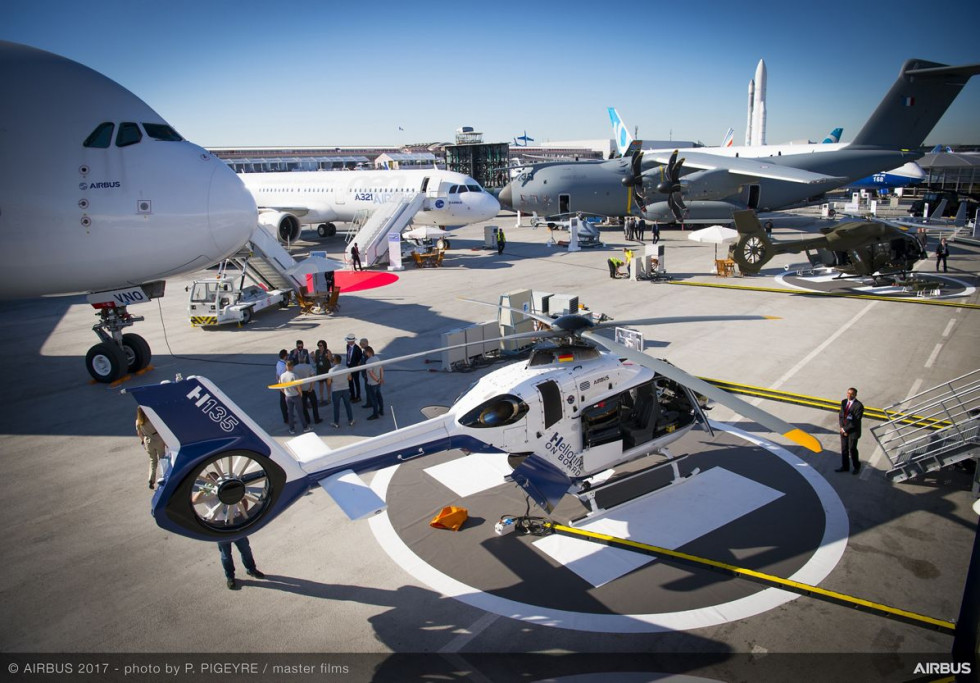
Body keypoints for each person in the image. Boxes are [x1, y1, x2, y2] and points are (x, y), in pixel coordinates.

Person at [135, 407, 166, 489]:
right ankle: (164, 477)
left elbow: (139, 433)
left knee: (153, 460)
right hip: (157, 439)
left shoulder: (138, 421)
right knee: (162, 459)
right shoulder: (152, 419)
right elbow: (160, 430)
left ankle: (151, 479)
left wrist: (144, 443)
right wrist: (164, 442)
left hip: (147, 441)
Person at [836, 387, 864, 474]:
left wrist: (845, 429)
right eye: (848, 393)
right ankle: (845, 467)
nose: (849, 395)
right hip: (843, 430)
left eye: (851, 394)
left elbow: (855, 421)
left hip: (853, 432)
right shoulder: (844, 402)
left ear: (855, 395)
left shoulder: (859, 406)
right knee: (844, 449)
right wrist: (842, 428)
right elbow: (841, 415)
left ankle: (856, 466)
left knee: (852, 449)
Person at [280, 360, 309, 435]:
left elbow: (281, 387)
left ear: (286, 366)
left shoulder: (282, 376)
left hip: (288, 396)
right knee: (300, 412)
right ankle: (305, 427)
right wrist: (300, 393)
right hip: (296, 396)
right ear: (292, 367)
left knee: (290, 413)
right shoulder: (294, 375)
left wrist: (285, 393)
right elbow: (298, 386)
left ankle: (291, 429)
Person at [292, 358, 322, 425]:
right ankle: (316, 419)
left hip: (301, 389)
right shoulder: (309, 366)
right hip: (309, 389)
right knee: (314, 404)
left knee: (303, 406)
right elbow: (313, 376)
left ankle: (307, 420)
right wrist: (311, 387)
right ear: (305, 359)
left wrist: (298, 389)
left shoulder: (295, 368)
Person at [329, 354, 355, 427]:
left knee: (336, 407)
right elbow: (350, 378)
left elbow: (328, 382)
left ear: (334, 361)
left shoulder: (331, 370)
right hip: (345, 389)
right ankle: (351, 420)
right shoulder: (346, 368)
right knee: (348, 405)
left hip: (336, 390)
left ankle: (336, 422)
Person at [363, 346, 385, 420]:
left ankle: (375, 414)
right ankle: (381, 411)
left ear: (368, 352)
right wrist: (381, 379)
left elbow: (371, 373)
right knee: (379, 397)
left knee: (374, 399)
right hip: (378, 383)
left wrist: (377, 380)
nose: (365, 353)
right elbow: (381, 369)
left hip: (372, 383)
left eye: (365, 352)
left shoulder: (368, 361)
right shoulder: (377, 359)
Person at [345, 333, 363, 403]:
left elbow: (359, 359)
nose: (347, 342)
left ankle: (358, 396)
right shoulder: (347, 346)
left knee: (356, 382)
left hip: (355, 368)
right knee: (350, 382)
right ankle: (352, 396)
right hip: (349, 367)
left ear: (352, 341)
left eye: (348, 341)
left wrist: (357, 367)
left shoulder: (357, 349)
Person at [314, 340, 332, 405]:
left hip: (326, 369)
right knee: (321, 384)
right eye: (318, 345)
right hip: (320, 370)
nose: (319, 347)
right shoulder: (317, 352)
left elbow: (331, 360)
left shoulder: (327, 351)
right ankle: (321, 397)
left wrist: (328, 356)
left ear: (324, 345)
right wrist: (313, 357)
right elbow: (315, 361)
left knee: (328, 384)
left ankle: (329, 396)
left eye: (321, 345)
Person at [275, 349, 289, 424]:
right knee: (286, 401)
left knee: (283, 401)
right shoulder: (284, 365)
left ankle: (286, 416)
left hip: (280, 383)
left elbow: (277, 374)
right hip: (284, 385)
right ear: (285, 356)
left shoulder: (278, 363)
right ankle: (287, 418)